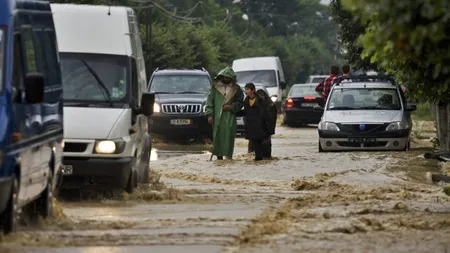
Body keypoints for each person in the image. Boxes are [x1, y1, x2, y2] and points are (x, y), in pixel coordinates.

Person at [205, 66, 244, 160]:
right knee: (218, 136)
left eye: (228, 77)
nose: (226, 79)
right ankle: (219, 158)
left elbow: (240, 102)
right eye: (224, 77)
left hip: (229, 117)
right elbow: (210, 101)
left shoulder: (236, 89)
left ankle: (228, 158)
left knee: (228, 137)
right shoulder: (215, 88)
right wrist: (209, 115)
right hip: (217, 117)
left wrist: (231, 107)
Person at [241, 83, 270, 161]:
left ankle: (259, 160)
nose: (246, 91)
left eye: (248, 89)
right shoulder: (246, 101)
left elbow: (266, 113)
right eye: (245, 89)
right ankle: (258, 160)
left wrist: (265, 125)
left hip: (260, 126)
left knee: (260, 144)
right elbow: (245, 112)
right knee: (255, 143)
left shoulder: (261, 100)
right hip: (251, 126)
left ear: (253, 90)